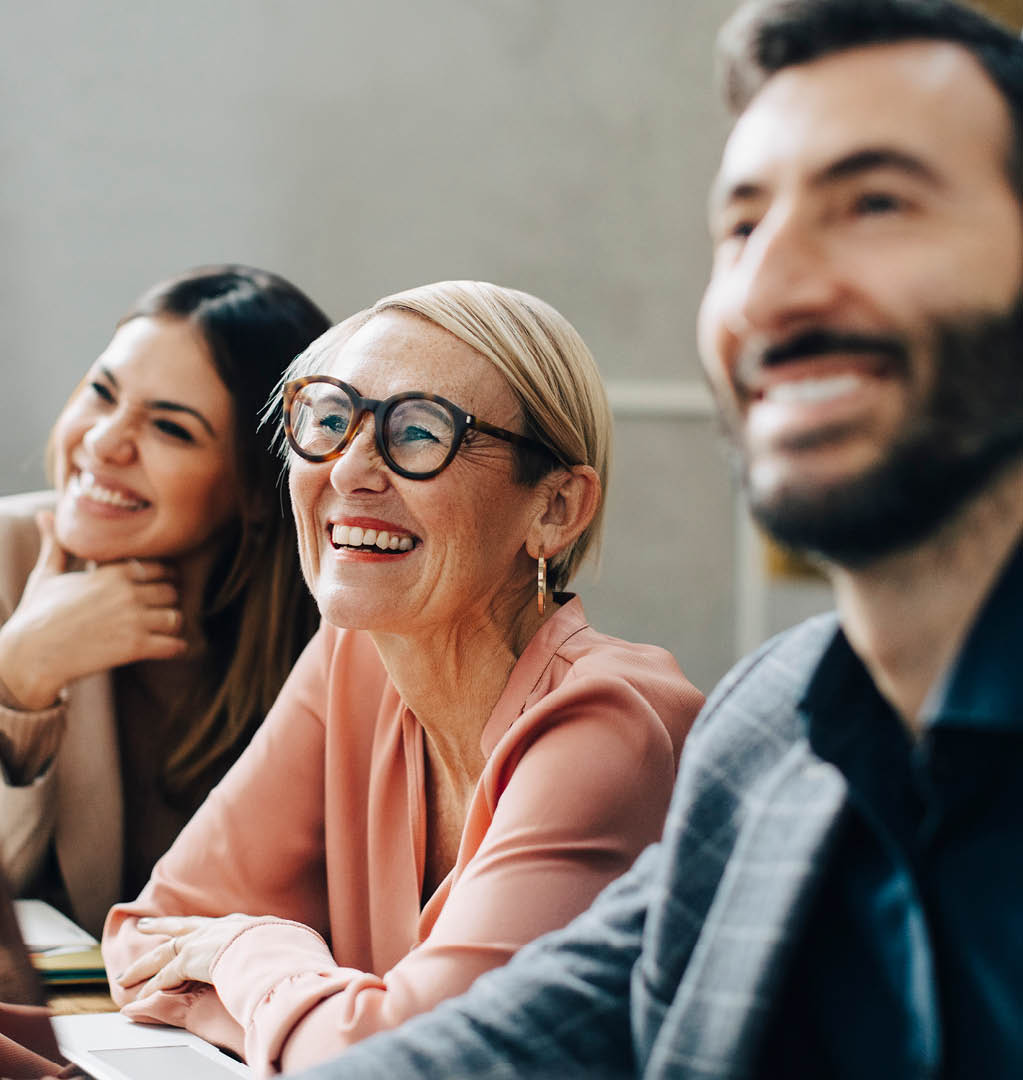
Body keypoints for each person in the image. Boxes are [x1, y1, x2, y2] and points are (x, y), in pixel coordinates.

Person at [278, 2, 1023, 1078]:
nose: (771, 285)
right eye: (742, 227)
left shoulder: (629, 719)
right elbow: (480, 1056)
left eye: (876, 202)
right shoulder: (763, 735)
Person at [101, 280, 704, 1074]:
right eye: (326, 419)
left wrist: (250, 952)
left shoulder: (608, 721)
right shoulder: (353, 657)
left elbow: (414, 1063)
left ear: (554, 508)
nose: (350, 468)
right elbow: (149, 939)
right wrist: (330, 1022)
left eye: (419, 432)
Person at [0, 265, 330, 937]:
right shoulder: (6, 555)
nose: (103, 441)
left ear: (259, 489)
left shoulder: (332, 636)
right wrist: (20, 675)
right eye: (101, 392)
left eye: (171, 430)